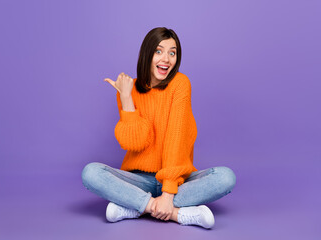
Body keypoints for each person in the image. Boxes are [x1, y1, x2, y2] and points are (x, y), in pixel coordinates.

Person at [81, 27, 236, 229]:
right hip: (138, 179)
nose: (166, 59)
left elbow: (176, 138)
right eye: (159, 51)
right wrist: (126, 97)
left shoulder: (180, 83)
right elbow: (134, 142)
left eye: (172, 53)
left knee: (225, 177)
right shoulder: (127, 91)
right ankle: (177, 214)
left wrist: (168, 191)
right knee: (90, 173)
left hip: (178, 181)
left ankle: (134, 207)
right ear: (147, 53)